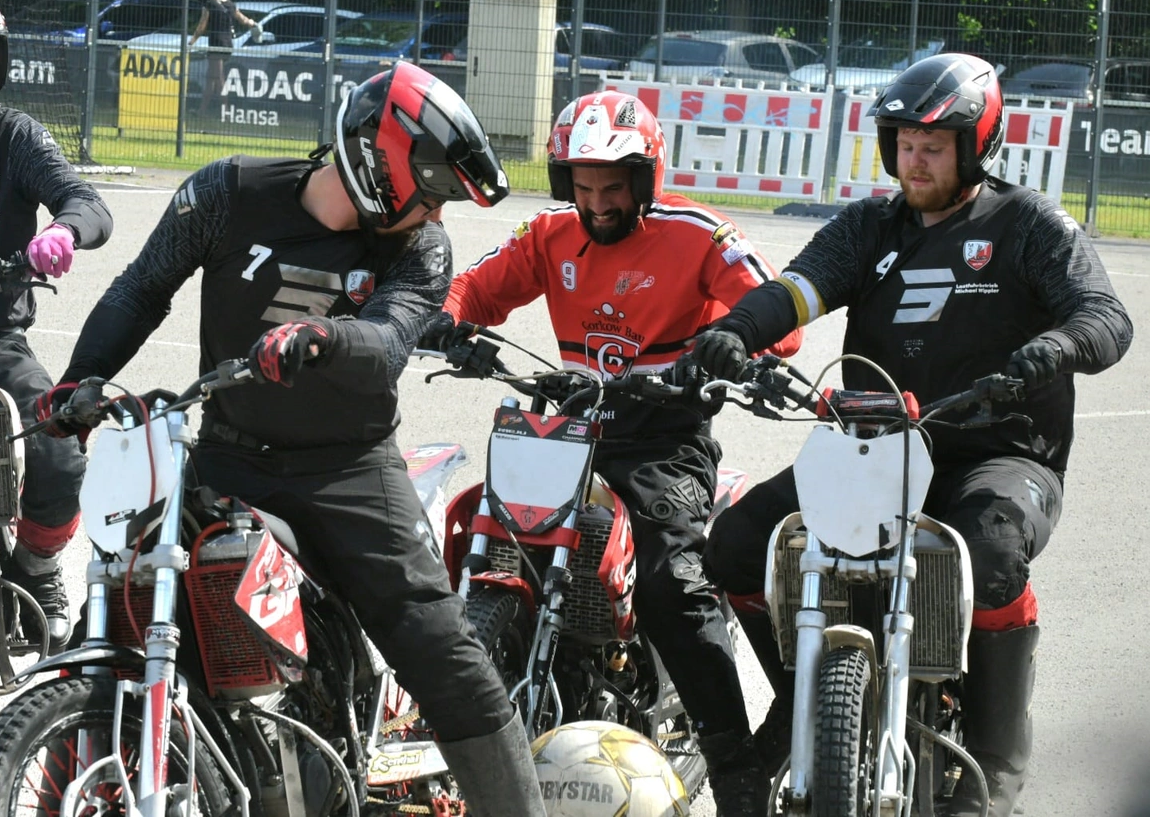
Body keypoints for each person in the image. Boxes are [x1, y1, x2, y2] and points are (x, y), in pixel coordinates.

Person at [35, 61, 544, 817]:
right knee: (118, 607)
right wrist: (79, 381)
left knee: (445, 653)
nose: (437, 210)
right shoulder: (226, 192)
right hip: (229, 456)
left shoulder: (422, 248)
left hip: (351, 471)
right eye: (430, 191)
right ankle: (56, 790)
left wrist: (325, 336)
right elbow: (141, 288)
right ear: (381, 167)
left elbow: (389, 343)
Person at [693, 53, 1133, 817]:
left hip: (995, 451)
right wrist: (738, 330)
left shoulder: (1025, 224)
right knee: (735, 545)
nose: (914, 159)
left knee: (991, 556)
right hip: (876, 448)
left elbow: (1106, 316)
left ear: (977, 144)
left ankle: (993, 767)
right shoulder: (871, 226)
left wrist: (1057, 347)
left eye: (933, 145)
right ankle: (805, 696)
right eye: (902, 142)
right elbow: (799, 288)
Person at [419, 89, 803, 817]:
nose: (597, 203)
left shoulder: (697, 232)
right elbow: (473, 286)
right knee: (480, 538)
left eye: (613, 187)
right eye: (584, 187)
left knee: (670, 584)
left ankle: (736, 767)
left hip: (664, 443)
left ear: (645, 178)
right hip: (571, 430)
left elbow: (776, 315)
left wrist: (733, 338)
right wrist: (444, 321)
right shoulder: (550, 234)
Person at [0, 0, 113, 653]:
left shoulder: (11, 135)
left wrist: (65, 233)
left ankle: (38, 570)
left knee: (57, 439)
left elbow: (87, 202)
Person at [188, 0, 257, 115]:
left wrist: (192, 42)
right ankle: (202, 110)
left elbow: (202, 27)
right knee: (211, 77)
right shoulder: (230, 5)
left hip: (216, 43)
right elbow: (243, 20)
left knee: (218, 77)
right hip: (227, 43)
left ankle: (225, 110)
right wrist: (253, 23)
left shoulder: (210, 4)